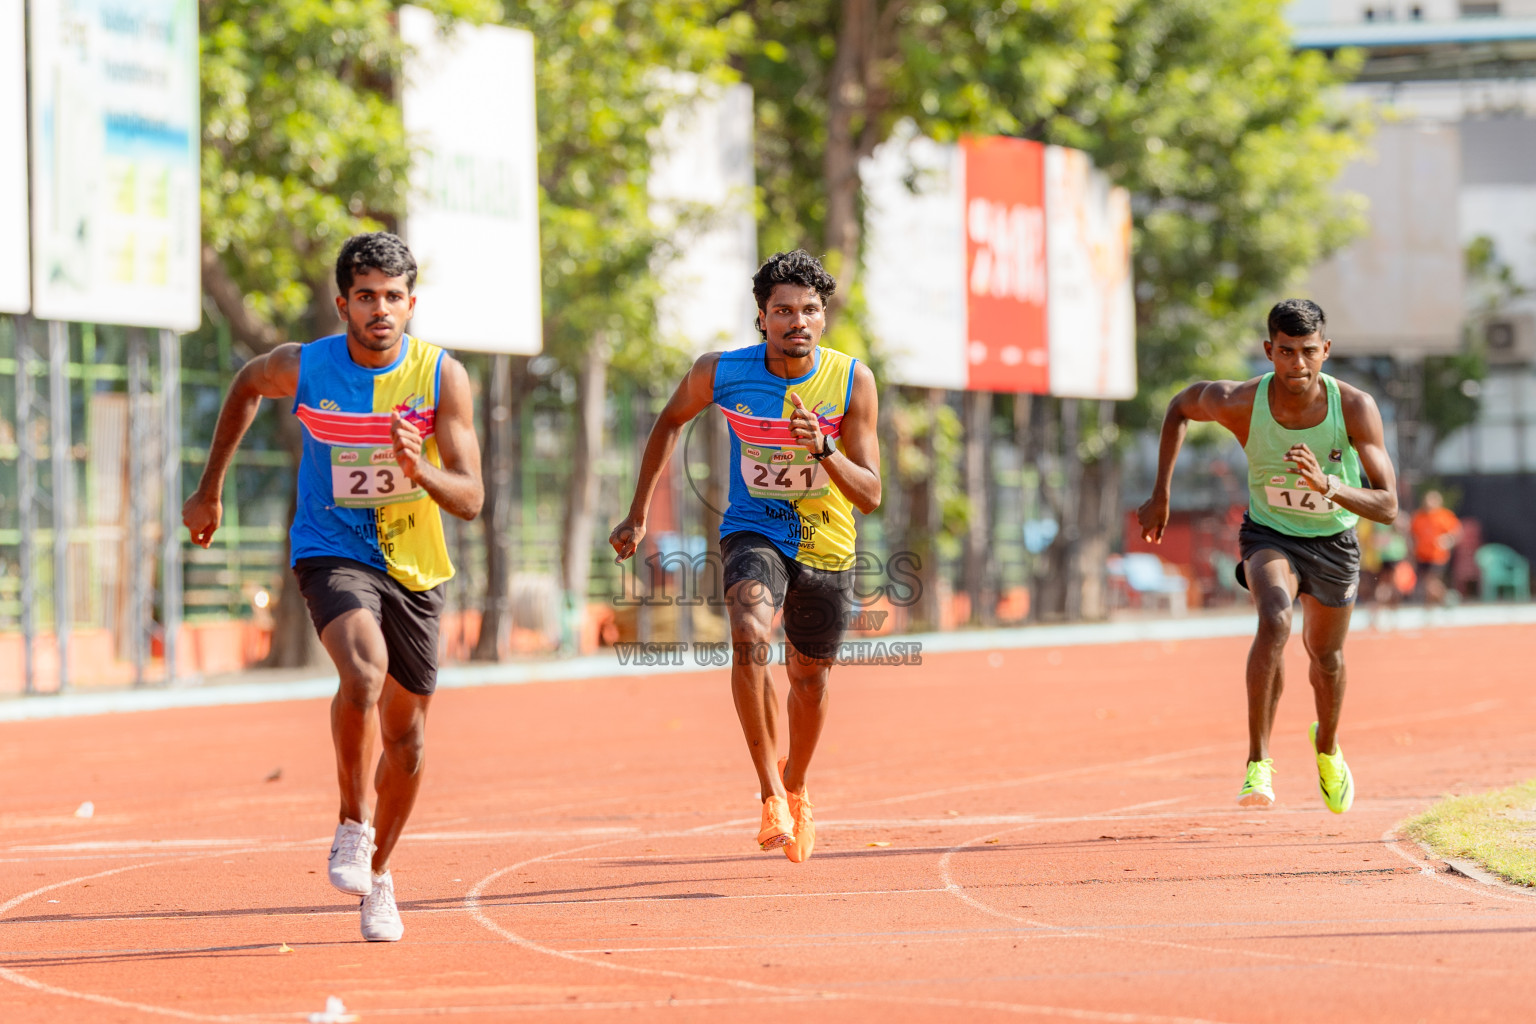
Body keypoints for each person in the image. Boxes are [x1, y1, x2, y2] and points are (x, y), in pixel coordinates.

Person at [182, 232, 484, 940]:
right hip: (330, 549)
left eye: (394, 297)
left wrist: (422, 471)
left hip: (415, 565)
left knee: (406, 745)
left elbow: (469, 498)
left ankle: (379, 875)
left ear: (412, 304)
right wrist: (209, 490)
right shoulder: (306, 365)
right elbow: (247, 384)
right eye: (367, 296)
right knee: (362, 669)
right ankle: (352, 821)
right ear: (342, 302)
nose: (381, 309)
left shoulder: (443, 378)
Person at [609, 250, 881, 862]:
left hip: (829, 545)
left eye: (809, 310)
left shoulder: (850, 380)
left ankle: (798, 784)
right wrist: (638, 511)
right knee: (747, 633)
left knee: (808, 679)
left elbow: (871, 494)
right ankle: (768, 795)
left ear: (824, 317)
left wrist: (826, 450)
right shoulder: (721, 372)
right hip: (753, 529)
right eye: (782, 310)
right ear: (761, 317)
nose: (797, 322)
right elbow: (668, 421)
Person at [1136, 299, 1398, 813]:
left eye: (1307, 352)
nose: (1297, 364)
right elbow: (1179, 408)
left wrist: (1329, 485)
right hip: (1270, 533)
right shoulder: (1239, 401)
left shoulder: (1355, 407)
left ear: (1325, 350)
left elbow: (1387, 505)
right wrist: (1160, 493)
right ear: (1268, 351)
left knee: (1325, 658)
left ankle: (1327, 746)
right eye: (1285, 352)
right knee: (1274, 620)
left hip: (1334, 543)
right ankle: (1258, 764)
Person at [1410, 490, 1462, 607]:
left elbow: (1456, 533)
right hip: (1422, 555)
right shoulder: (1418, 517)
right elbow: (1413, 536)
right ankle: (1436, 604)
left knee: (1431, 583)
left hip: (1437, 555)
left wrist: (1448, 540)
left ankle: (1447, 598)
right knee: (1428, 585)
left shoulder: (1445, 516)